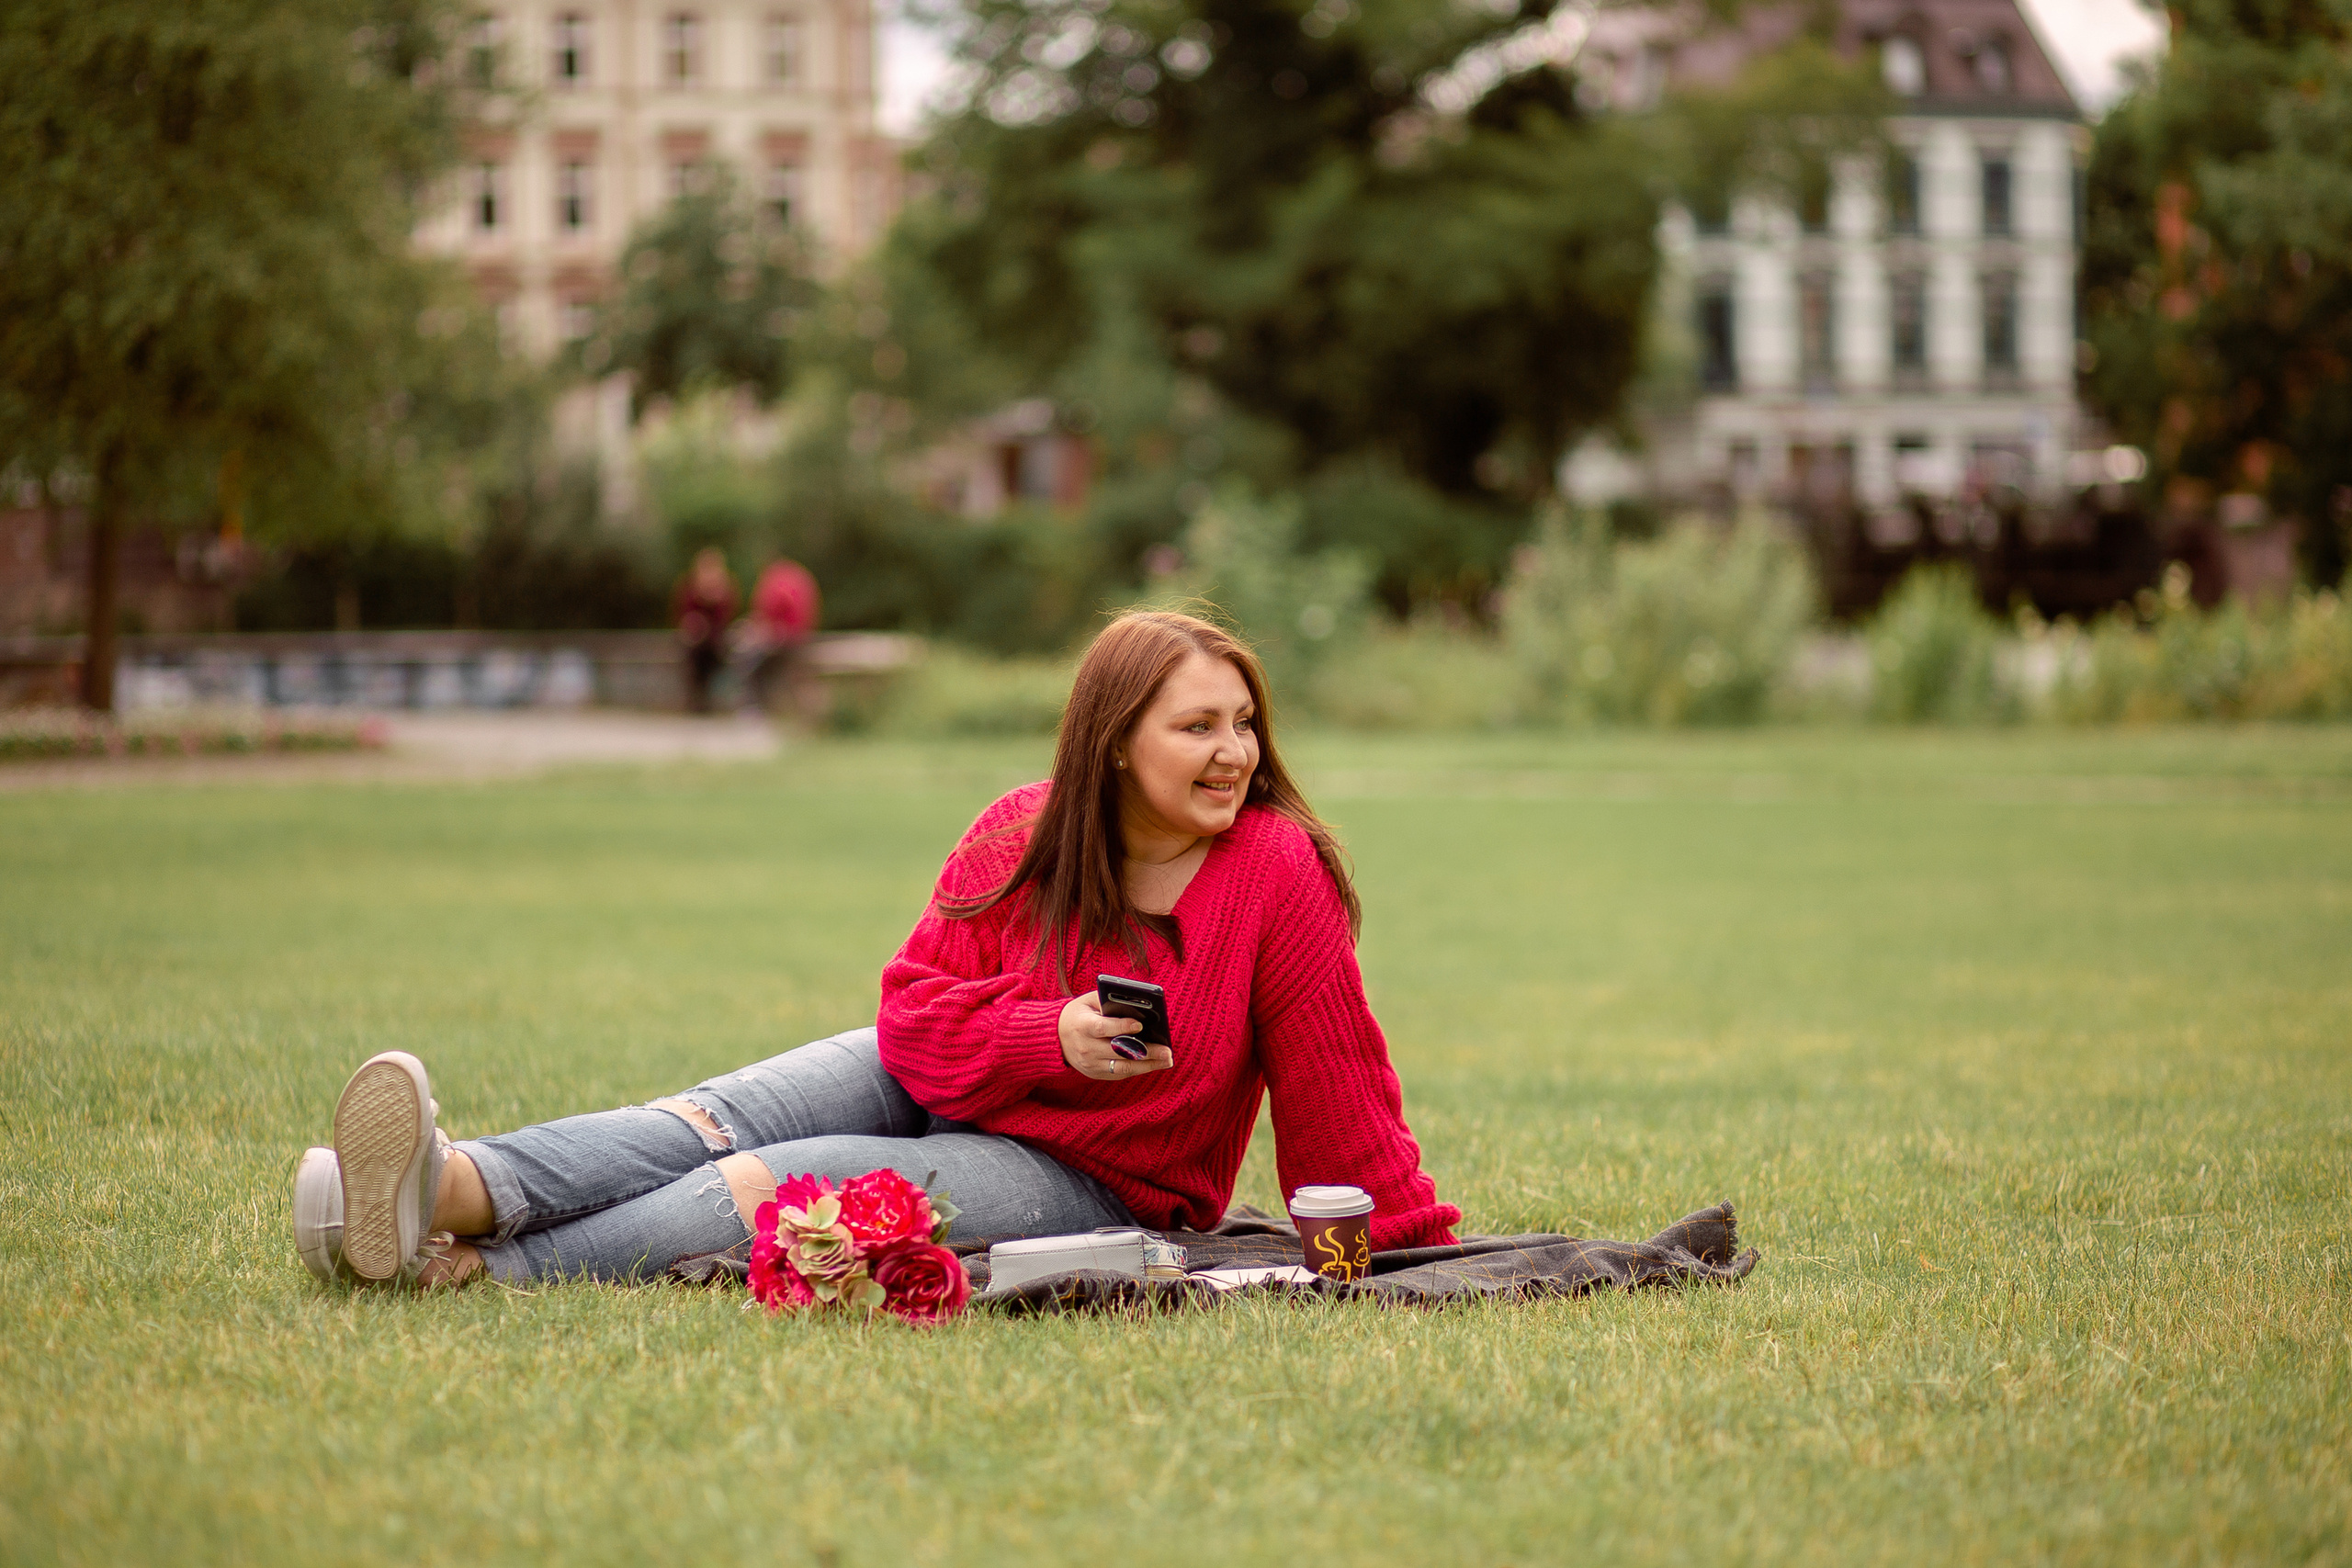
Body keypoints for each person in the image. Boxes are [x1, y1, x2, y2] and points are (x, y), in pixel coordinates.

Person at [293, 610, 1459, 1289]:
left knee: (790, 1183)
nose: (1234, 752)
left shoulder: (1275, 870)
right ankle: (453, 1182)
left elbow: (1335, 1078)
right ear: (1113, 743)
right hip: (950, 1075)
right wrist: (1045, 1036)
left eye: (1243, 722)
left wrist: (1406, 1246)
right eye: (1198, 725)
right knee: (708, 1120)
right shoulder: (1018, 832)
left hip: (1095, 1176)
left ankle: (475, 1264)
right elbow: (912, 1015)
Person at [739, 556, 821, 720]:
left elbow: (774, 611)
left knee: (748, 657)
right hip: (799, 636)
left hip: (788, 639)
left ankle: (752, 705)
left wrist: (763, 628)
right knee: (750, 653)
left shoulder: (778, 582)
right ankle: (754, 704)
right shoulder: (798, 577)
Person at [671, 547, 738, 715]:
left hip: (715, 640)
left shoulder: (725, 591)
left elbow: (725, 619)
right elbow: (682, 615)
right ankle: (696, 700)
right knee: (693, 653)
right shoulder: (691, 589)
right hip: (695, 639)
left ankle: (705, 700)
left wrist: (713, 603)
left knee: (712, 654)